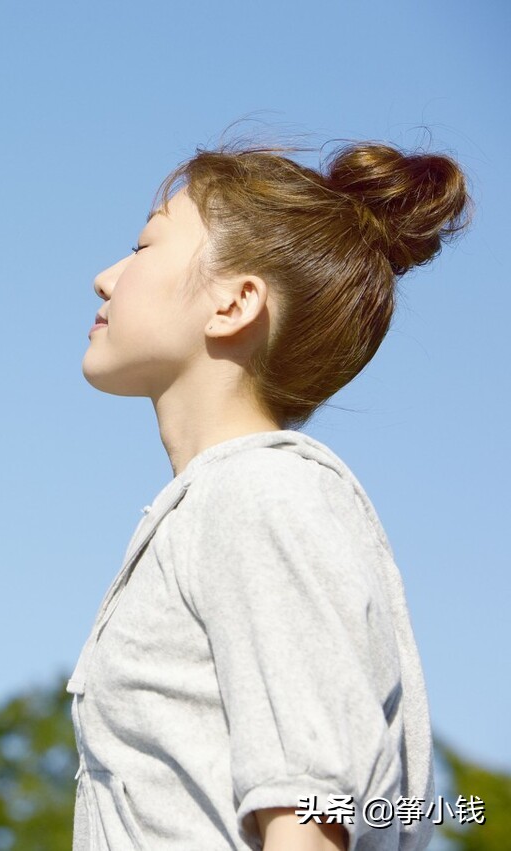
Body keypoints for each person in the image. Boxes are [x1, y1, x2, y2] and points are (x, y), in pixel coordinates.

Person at [71, 140, 470, 851]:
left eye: (143, 246)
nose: (106, 278)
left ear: (234, 302)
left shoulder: (261, 493)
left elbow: (310, 816)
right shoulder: (226, 502)